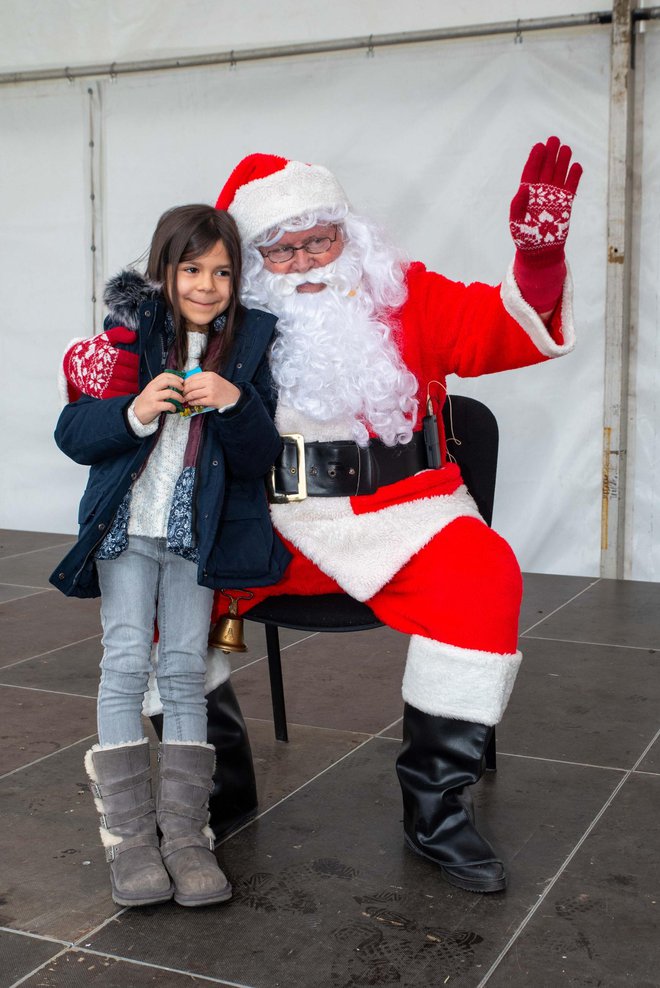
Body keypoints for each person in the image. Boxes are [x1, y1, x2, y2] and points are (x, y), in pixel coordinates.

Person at [61, 138, 582, 894]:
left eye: (320, 240)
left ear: (350, 235)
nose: (305, 261)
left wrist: (539, 259)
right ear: (250, 264)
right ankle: (214, 786)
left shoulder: (406, 295)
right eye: (281, 248)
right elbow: (122, 379)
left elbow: (507, 325)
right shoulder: (224, 327)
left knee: (484, 577)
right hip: (262, 515)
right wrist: (101, 379)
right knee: (153, 601)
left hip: (408, 512)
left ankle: (436, 813)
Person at [50, 204, 289, 908]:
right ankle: (129, 840)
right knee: (126, 663)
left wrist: (235, 402)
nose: (207, 285)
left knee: (184, 672)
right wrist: (135, 411)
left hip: (195, 535)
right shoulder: (127, 335)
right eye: (192, 269)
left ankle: (186, 837)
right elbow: (73, 432)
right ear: (165, 269)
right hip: (127, 530)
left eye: (222, 271)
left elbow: (259, 457)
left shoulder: (249, 342)